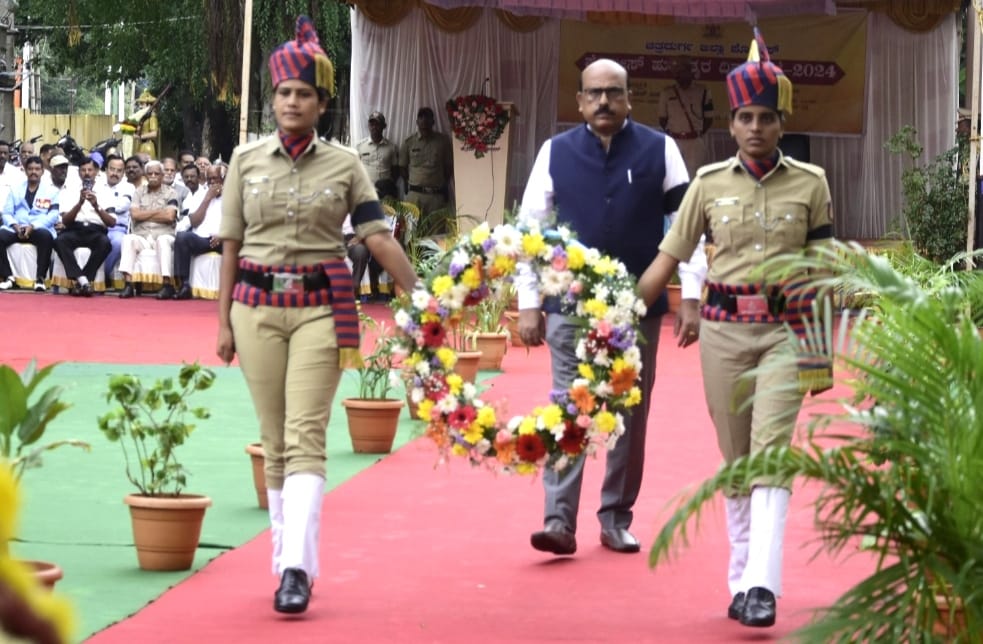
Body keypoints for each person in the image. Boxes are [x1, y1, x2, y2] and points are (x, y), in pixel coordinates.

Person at [216, 15, 416, 615]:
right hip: (254, 308)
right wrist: (222, 321)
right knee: (274, 441)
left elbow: (377, 238)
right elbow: (230, 242)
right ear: (272, 99)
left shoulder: (346, 165)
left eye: (305, 93)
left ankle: (297, 570)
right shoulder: (245, 161)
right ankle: (284, 560)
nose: (293, 102)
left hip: (321, 309)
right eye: (284, 93)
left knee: (306, 438)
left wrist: (421, 296)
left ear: (323, 104)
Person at [636, 29, 834, 629]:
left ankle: (762, 588)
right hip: (723, 334)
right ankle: (740, 575)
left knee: (772, 456)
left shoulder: (812, 182)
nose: (755, 128)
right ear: (732, 121)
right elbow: (668, 261)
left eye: (766, 118)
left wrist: (819, 355)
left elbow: (819, 273)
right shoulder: (708, 183)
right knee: (737, 459)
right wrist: (617, 312)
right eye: (745, 116)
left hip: (784, 334)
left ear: (781, 121)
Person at [516, 58, 705, 558]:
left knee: (628, 415)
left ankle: (616, 518)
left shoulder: (660, 149)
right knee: (569, 409)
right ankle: (558, 520)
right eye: (594, 93)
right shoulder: (554, 152)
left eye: (613, 93)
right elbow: (529, 233)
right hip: (569, 307)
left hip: (635, 314)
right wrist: (530, 303)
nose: (603, 101)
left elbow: (687, 227)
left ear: (628, 99)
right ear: (579, 101)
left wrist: (690, 295)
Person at [53, 156, 117, 296]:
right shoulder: (69, 190)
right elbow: (65, 221)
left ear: (97, 172)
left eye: (90, 170)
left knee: (105, 244)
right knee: (59, 241)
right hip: (74, 229)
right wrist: (79, 203)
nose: (87, 173)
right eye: (83, 170)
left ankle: (82, 281)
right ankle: (84, 281)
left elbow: (112, 222)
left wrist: (96, 205)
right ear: (78, 172)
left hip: (96, 230)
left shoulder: (106, 191)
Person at [118, 160, 180, 299]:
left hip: (164, 234)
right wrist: (159, 212)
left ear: (162, 175)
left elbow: (170, 216)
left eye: (156, 173)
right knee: (128, 239)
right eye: (150, 173)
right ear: (145, 175)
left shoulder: (171, 193)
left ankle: (166, 285)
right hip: (143, 235)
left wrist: (145, 214)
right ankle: (128, 285)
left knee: (163, 241)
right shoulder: (139, 192)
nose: (153, 176)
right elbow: (135, 215)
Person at [0, 156, 61, 292]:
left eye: (37, 169)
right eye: (30, 169)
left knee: (45, 237)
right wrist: (15, 226)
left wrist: (33, 226)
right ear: (25, 171)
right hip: (17, 227)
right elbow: (7, 213)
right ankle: (8, 276)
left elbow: (53, 215)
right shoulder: (15, 189)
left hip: (39, 228)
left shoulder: (52, 191)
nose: (34, 172)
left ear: (42, 172)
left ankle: (40, 279)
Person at [658, 56, 714, 181]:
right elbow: (662, 119)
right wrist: (675, 134)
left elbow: (709, 119)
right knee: (673, 178)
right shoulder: (667, 93)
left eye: (682, 70)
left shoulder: (702, 91)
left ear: (690, 72)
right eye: (677, 71)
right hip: (675, 141)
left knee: (694, 178)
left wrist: (695, 134)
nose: (679, 74)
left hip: (695, 143)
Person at [173, 164, 224, 300]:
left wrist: (223, 236)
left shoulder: (233, 195)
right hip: (202, 238)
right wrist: (207, 198)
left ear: (224, 179)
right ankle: (184, 285)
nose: (212, 182)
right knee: (182, 238)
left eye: (216, 179)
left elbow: (238, 222)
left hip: (224, 239)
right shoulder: (201, 194)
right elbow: (194, 221)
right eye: (209, 179)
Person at [399, 106, 453, 228]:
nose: (424, 121)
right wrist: (411, 183)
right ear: (417, 122)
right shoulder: (409, 142)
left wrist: (441, 183)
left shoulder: (443, 141)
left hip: (436, 196)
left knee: (436, 232)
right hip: (414, 195)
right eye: (421, 118)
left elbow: (448, 166)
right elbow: (402, 167)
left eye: (427, 118)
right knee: (411, 232)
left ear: (433, 121)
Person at [102, 155, 135, 285]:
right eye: (112, 169)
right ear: (106, 169)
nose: (115, 173)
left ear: (123, 173)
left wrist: (101, 206)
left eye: (119, 170)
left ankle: (103, 274)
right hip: (99, 226)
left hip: (118, 228)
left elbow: (123, 206)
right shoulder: (97, 184)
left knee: (117, 243)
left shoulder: (128, 187)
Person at [356, 111, 399, 185]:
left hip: (385, 192)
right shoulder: (360, 146)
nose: (374, 127)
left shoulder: (392, 147)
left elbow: (395, 170)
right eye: (372, 124)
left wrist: (389, 184)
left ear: (384, 126)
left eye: (377, 124)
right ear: (368, 126)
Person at [134, 89, 160, 159]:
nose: (140, 106)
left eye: (142, 104)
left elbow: (154, 134)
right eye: (140, 104)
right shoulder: (141, 117)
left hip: (148, 146)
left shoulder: (152, 116)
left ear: (148, 105)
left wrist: (139, 137)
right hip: (140, 145)